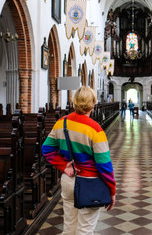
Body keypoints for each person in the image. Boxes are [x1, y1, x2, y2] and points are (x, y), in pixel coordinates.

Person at [42, 86, 116, 235]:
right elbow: (104, 165)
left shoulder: (61, 123)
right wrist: (112, 190)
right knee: (85, 230)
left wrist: (64, 166)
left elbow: (46, 149)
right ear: (93, 103)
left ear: (74, 101)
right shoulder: (95, 129)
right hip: (90, 183)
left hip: (68, 180)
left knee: (69, 228)